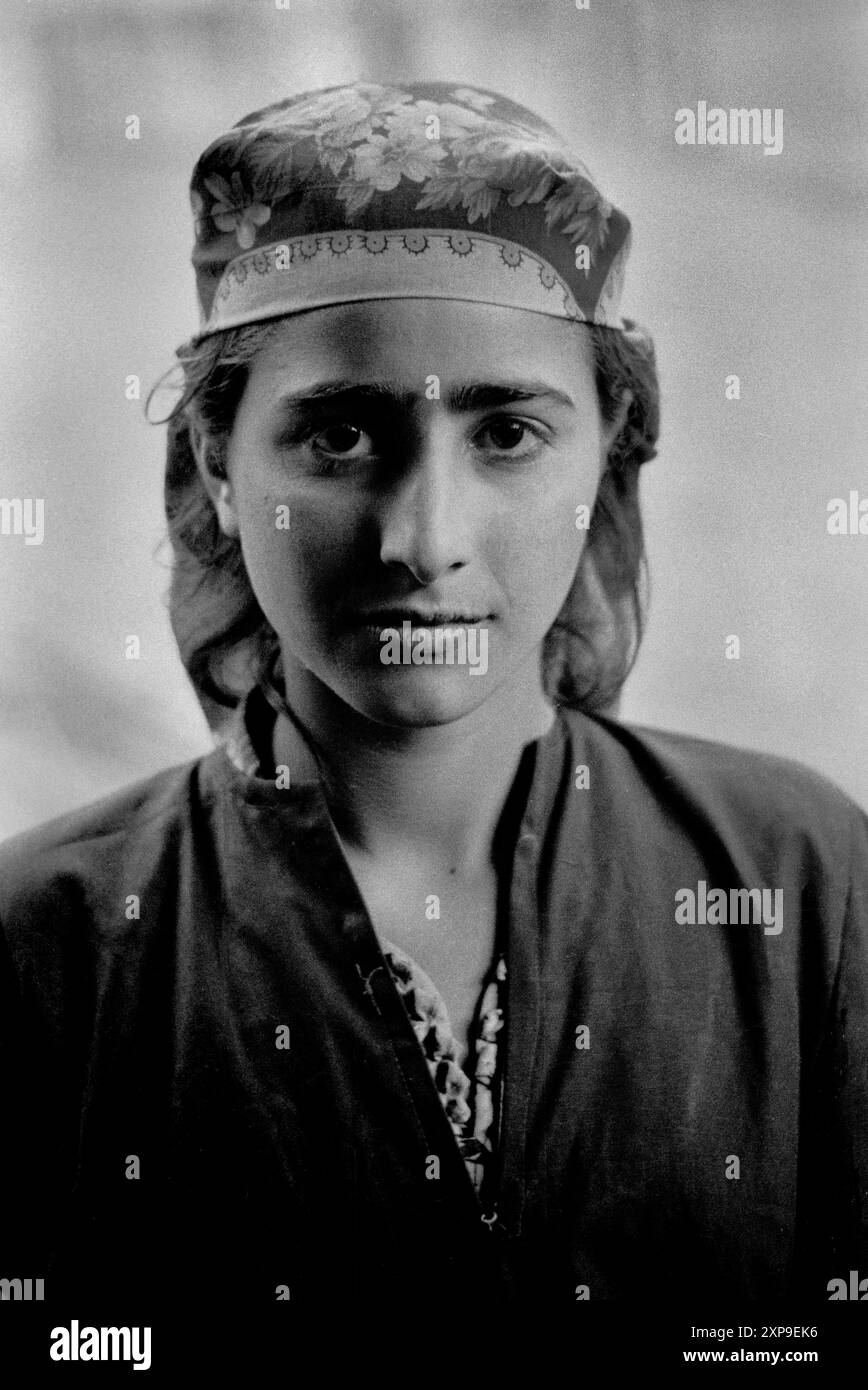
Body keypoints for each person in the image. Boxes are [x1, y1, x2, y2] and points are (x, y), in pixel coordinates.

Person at [1, 80, 866, 1315]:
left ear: (607, 448)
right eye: (340, 436)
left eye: (506, 432)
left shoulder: (797, 881)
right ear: (216, 460)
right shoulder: (48, 947)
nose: (424, 537)